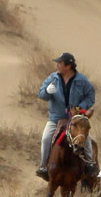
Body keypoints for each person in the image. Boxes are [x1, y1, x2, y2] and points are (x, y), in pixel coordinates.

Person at [36, 52, 97, 181]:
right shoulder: (53, 78)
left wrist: (80, 108)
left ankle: (90, 164)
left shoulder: (82, 81)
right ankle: (43, 166)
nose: (57, 65)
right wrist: (47, 92)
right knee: (46, 138)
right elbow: (41, 94)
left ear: (68, 66)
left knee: (85, 139)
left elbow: (90, 96)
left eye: (60, 63)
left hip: (75, 118)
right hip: (56, 118)